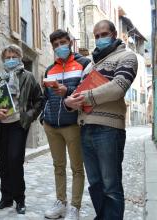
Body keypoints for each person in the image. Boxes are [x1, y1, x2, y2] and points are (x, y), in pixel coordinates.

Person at [64, 20, 138, 220]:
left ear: (114, 34)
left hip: (109, 130)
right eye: (96, 36)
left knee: (110, 184)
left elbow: (118, 86)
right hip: (85, 129)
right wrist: (69, 101)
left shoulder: (127, 57)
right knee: (95, 183)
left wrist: (84, 97)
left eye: (103, 34)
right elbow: (79, 92)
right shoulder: (90, 66)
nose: (99, 39)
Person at [0, 44, 43, 215]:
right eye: (7, 57)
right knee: (3, 162)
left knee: (15, 160)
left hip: (18, 124)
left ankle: (20, 199)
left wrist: (28, 116)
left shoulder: (28, 77)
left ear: (19, 57)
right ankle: (6, 198)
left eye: (14, 56)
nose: (10, 60)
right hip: (0, 124)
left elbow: (39, 100)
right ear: (3, 59)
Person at [41, 30, 90, 220]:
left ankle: (75, 207)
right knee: (58, 166)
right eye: (55, 45)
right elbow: (45, 97)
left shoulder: (84, 64)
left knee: (77, 168)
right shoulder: (49, 70)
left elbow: (88, 90)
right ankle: (60, 202)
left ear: (70, 42)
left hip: (74, 124)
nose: (60, 47)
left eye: (63, 42)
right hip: (51, 125)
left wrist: (67, 90)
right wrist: (43, 118)